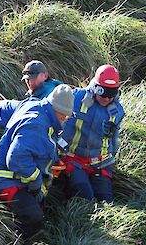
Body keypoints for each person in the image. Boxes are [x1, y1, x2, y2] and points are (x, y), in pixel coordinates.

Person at [0, 84, 74, 242]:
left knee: (37, 207)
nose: (64, 120)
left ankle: (13, 229)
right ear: (57, 110)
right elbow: (16, 158)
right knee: (33, 218)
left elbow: (5, 107)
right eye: (63, 116)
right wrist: (35, 181)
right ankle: (17, 239)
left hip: (10, 172)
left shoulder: (35, 105)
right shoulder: (37, 125)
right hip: (6, 177)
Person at [60, 65, 124, 203]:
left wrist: (111, 160)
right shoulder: (76, 98)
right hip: (73, 159)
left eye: (110, 95)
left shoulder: (117, 111)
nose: (106, 99)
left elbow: (113, 140)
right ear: (95, 87)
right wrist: (58, 150)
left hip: (101, 162)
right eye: (103, 93)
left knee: (105, 201)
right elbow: (60, 126)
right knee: (84, 196)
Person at [0, 60, 62, 143]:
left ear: (45, 76)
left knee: (3, 109)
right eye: (27, 79)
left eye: (32, 78)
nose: (28, 82)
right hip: (41, 132)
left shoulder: (50, 94)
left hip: (42, 135)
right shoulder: (40, 90)